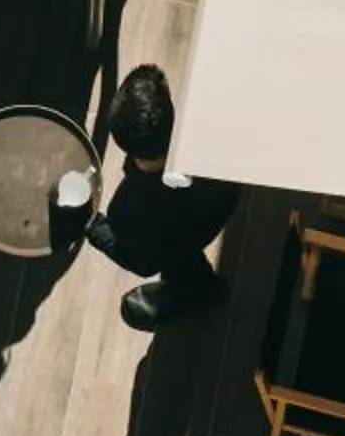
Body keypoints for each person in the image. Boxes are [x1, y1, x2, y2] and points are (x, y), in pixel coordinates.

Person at [86, 62, 242, 329]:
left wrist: (91, 224)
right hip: (218, 208)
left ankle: (202, 292)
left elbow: (144, 262)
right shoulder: (209, 133)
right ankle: (210, 289)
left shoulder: (128, 209)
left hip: (173, 244)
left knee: (182, 265)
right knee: (188, 257)